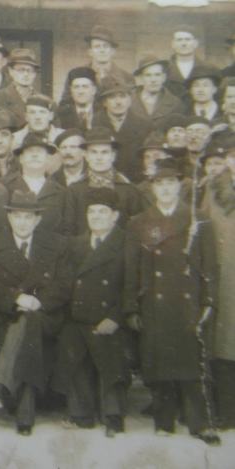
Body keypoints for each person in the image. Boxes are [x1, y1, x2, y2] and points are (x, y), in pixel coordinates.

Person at [122, 159, 221, 446]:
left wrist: (209, 301)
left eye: (171, 183)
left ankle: (200, 423)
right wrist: (131, 306)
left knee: (194, 363)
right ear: (152, 188)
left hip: (188, 303)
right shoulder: (138, 222)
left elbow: (210, 266)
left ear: (180, 186)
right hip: (154, 302)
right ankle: (164, 422)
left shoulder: (198, 219)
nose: (165, 188)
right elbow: (132, 268)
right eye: (159, 183)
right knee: (159, 363)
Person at [0, 190, 71, 436]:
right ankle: (24, 415)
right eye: (17, 216)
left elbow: (64, 284)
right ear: (9, 218)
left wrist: (39, 301)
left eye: (28, 217)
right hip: (1, 315)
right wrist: (16, 298)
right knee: (27, 330)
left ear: (38, 220)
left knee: (29, 322)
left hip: (44, 313)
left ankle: (2, 387)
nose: (22, 222)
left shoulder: (57, 245)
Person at [54, 188, 130, 437]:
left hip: (111, 317)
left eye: (102, 211)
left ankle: (113, 414)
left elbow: (132, 287)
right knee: (72, 342)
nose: (96, 216)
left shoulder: (126, 243)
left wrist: (115, 318)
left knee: (108, 350)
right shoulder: (76, 244)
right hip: (79, 315)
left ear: (114, 216)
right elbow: (65, 283)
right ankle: (81, 413)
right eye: (91, 212)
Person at [202, 137, 235, 430]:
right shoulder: (213, 188)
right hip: (224, 277)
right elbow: (202, 230)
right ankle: (226, 411)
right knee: (223, 345)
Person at [0, 48, 41, 128]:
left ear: (35, 74)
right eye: (21, 70)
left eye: (30, 70)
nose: (26, 74)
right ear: (11, 71)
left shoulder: (44, 100)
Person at [130, 56, 187, 123]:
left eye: (157, 75)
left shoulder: (175, 104)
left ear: (163, 77)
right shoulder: (128, 101)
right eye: (148, 75)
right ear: (141, 78)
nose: (153, 80)